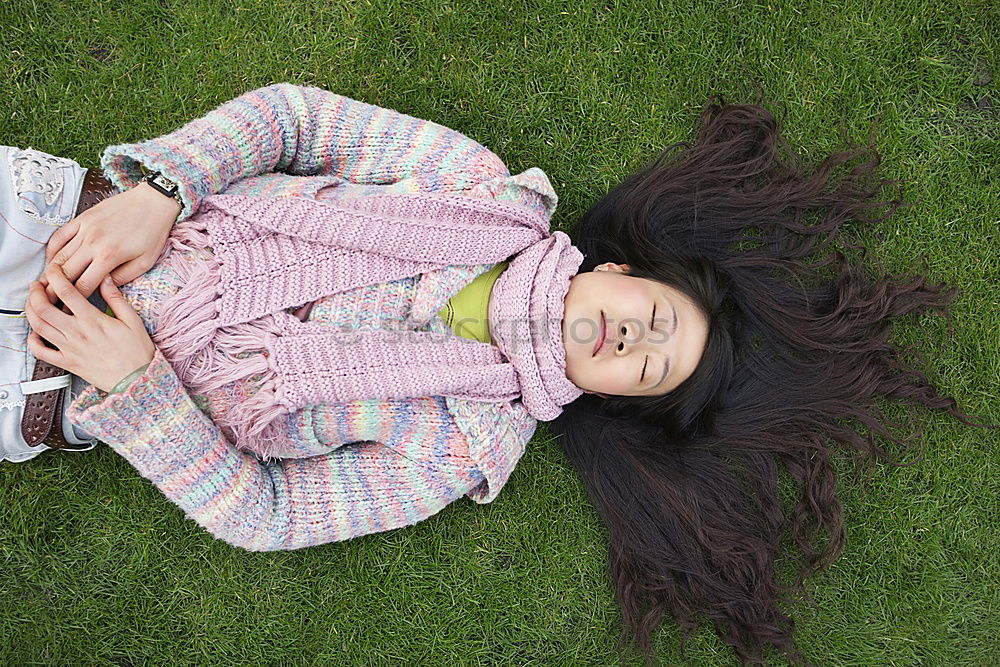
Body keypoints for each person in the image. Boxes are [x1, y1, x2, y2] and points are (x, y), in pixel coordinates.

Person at [0, 84, 987, 665]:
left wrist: (138, 392)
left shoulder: (466, 445)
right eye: (651, 318)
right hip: (64, 222)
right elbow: (296, 117)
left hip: (46, 385)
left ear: (614, 400)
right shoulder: (477, 187)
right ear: (617, 271)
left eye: (648, 368)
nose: (630, 341)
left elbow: (271, 515)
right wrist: (165, 191)